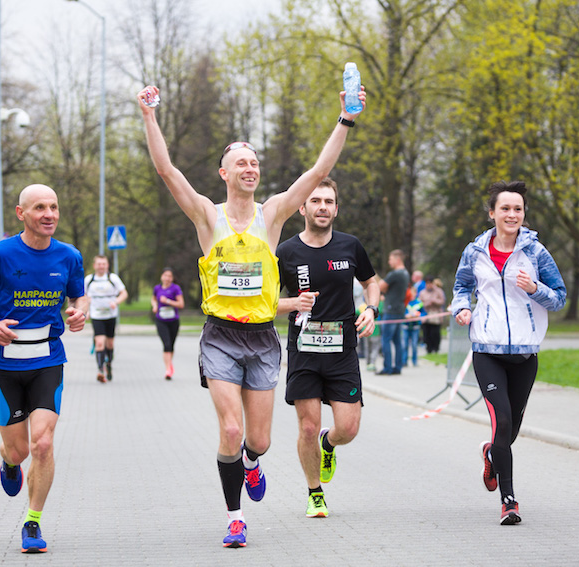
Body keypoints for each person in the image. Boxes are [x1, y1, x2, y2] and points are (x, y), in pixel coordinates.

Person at [137, 82, 365, 547]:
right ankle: (235, 518)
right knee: (231, 428)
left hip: (262, 339)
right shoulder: (207, 215)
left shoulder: (273, 213)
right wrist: (149, 116)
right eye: (242, 162)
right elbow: (166, 170)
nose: (250, 168)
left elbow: (319, 171)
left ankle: (252, 461)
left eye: (255, 162)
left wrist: (346, 119)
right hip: (221, 336)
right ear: (224, 172)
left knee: (258, 440)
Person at [0, 184, 88, 554]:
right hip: (5, 363)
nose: (49, 214)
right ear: (21, 213)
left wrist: (79, 312)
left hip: (48, 358)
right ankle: (8, 462)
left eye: (54, 207)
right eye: (40, 207)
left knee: (42, 443)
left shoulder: (69, 255)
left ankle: (32, 522)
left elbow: (78, 295)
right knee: (18, 452)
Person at [451, 180, 566, 526]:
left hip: (525, 354)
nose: (512, 214)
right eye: (505, 208)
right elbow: (461, 286)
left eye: (518, 209)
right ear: (492, 213)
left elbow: (559, 298)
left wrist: (535, 288)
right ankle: (509, 501)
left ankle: (491, 453)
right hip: (487, 349)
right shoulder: (475, 252)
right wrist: (462, 308)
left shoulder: (536, 253)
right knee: (501, 422)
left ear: (523, 214)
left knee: (510, 430)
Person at [276, 177, 379, 518]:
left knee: (348, 428)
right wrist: (294, 303)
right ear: (302, 208)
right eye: (316, 201)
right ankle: (314, 492)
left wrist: (371, 309)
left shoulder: (350, 246)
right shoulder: (286, 252)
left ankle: (328, 443)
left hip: (342, 351)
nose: (322, 207)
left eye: (329, 202)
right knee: (307, 426)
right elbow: (266, 302)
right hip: (304, 350)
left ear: (336, 209)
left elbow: (371, 282)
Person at [84, 255, 127, 383]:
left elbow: (124, 293)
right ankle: (100, 370)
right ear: (94, 265)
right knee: (99, 342)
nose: (101, 266)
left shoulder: (113, 278)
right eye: (99, 264)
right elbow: (83, 296)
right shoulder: (89, 280)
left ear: (107, 265)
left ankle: (108, 365)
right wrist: (86, 310)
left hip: (110, 315)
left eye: (103, 264)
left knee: (110, 344)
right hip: (96, 315)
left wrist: (116, 302)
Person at [377, 250, 409, 375]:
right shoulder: (405, 273)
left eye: (390, 259)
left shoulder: (395, 274)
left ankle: (387, 367)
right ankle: (398, 367)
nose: (389, 262)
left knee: (386, 339)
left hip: (390, 310)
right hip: (400, 309)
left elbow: (380, 286)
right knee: (397, 340)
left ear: (397, 259)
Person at [151, 267, 184, 380]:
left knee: (171, 345)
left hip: (173, 321)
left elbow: (181, 304)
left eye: (169, 276)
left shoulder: (175, 288)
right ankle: (168, 369)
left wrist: (168, 301)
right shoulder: (157, 288)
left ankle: (169, 365)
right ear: (161, 277)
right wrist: (155, 305)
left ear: (172, 278)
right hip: (161, 320)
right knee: (167, 344)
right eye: (165, 275)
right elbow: (153, 299)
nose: (167, 278)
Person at [419, 277, 446, 354]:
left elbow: (442, 301)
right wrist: (427, 303)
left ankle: (436, 348)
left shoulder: (438, 291)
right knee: (426, 333)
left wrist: (435, 301)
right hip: (426, 314)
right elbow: (419, 303)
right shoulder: (422, 292)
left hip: (435, 315)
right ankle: (429, 349)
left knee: (435, 333)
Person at [402, 289, 422, 367]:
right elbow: (402, 312)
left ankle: (414, 361)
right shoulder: (405, 302)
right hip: (406, 326)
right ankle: (404, 361)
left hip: (415, 326)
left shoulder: (419, 303)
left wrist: (418, 315)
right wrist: (405, 315)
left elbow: (423, 313)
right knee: (405, 345)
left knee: (414, 345)